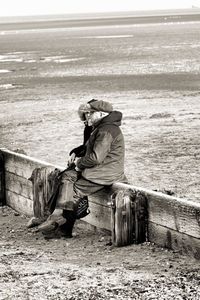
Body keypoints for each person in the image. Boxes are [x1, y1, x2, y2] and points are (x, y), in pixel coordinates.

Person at [39, 99, 127, 238]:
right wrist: (76, 156)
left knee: (72, 190)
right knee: (66, 176)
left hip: (105, 173)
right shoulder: (102, 127)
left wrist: (79, 164)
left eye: (90, 114)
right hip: (102, 171)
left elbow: (96, 157)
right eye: (86, 114)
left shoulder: (106, 130)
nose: (87, 117)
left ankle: (61, 226)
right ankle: (56, 219)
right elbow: (89, 149)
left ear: (101, 114)